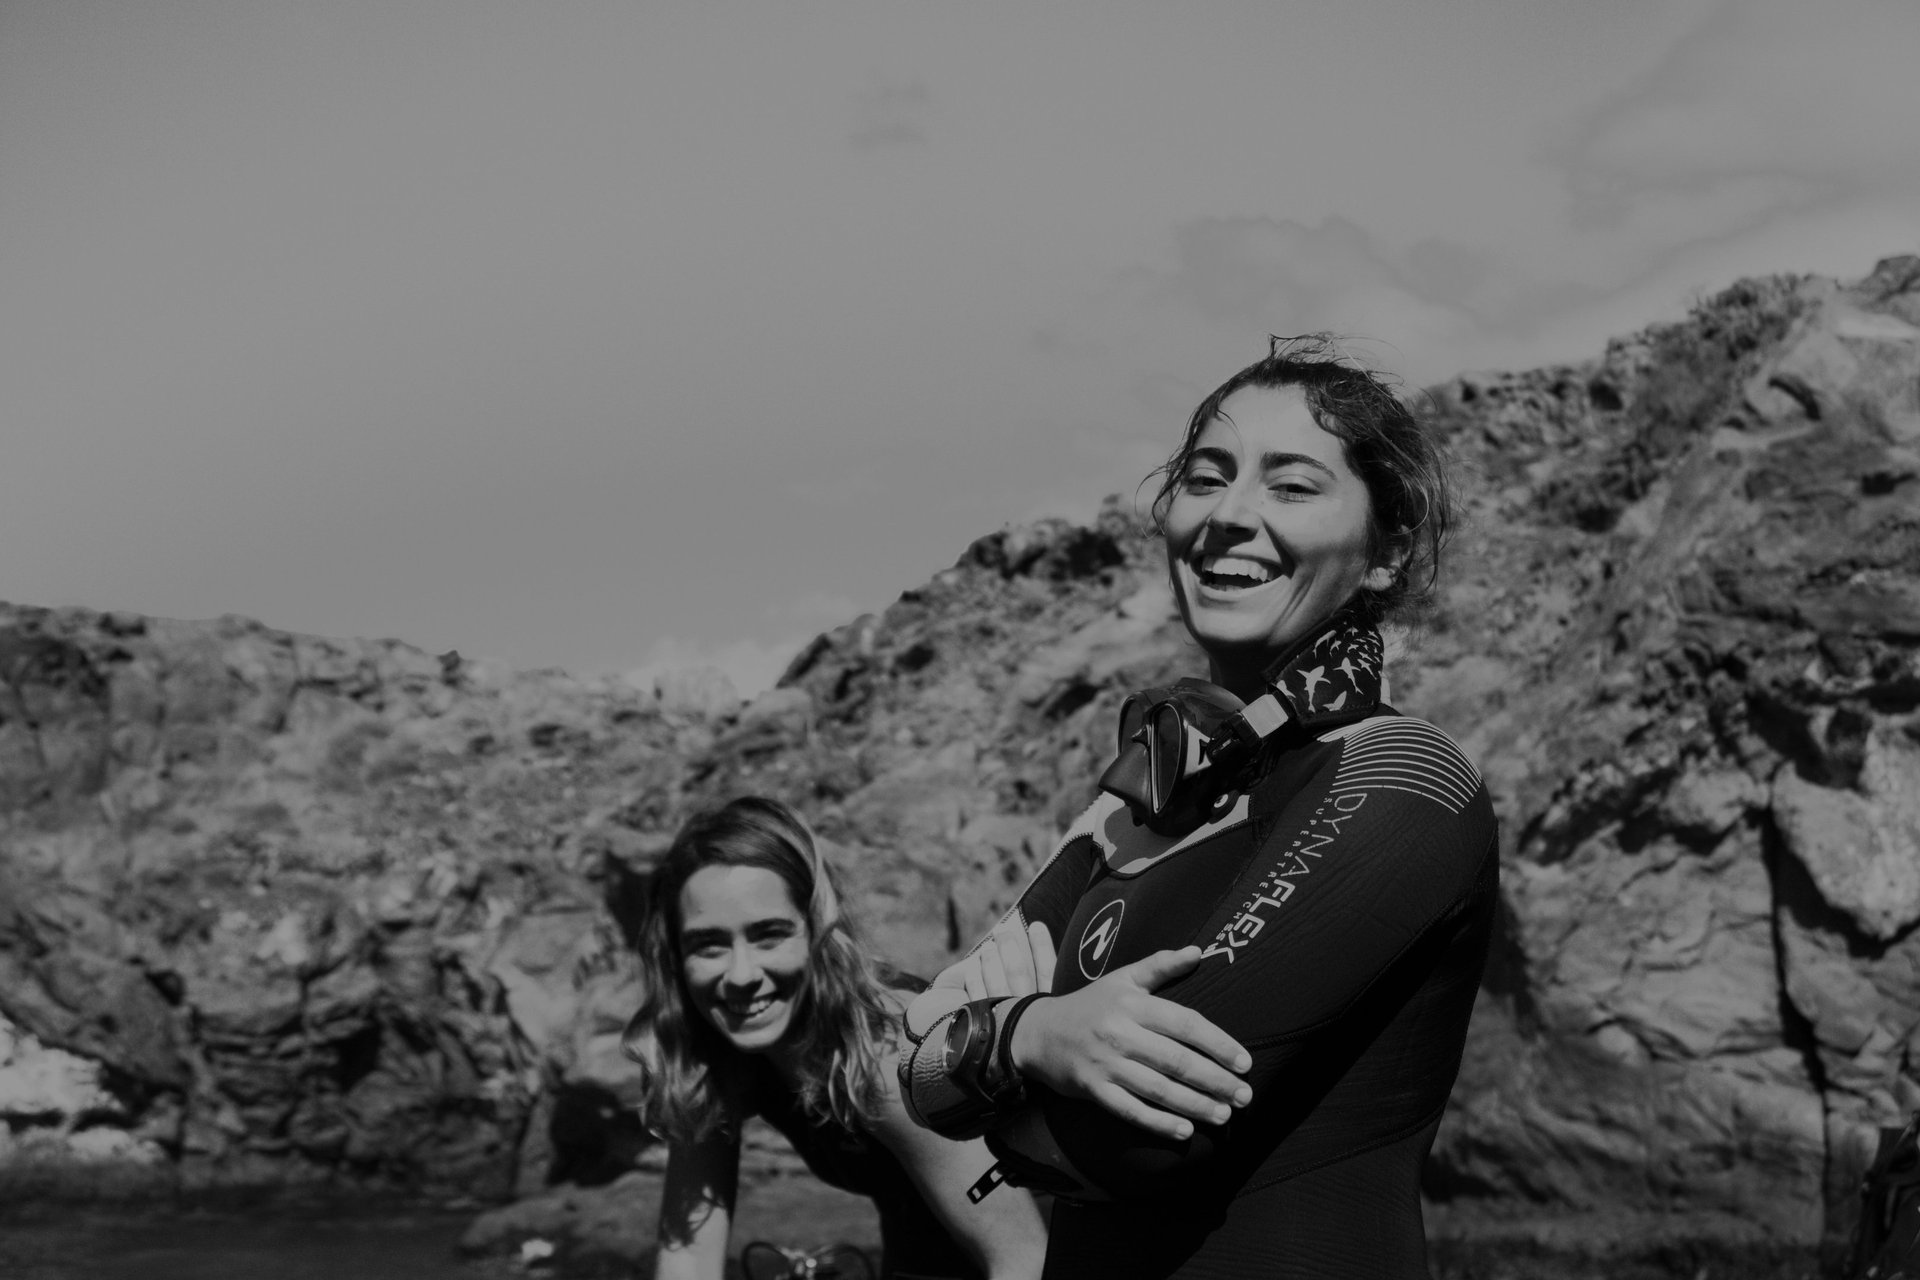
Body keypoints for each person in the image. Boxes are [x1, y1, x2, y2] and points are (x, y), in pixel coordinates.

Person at [898, 336, 1499, 1279]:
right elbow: (915, 1072)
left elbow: (1126, 1142)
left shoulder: (1405, 780)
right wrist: (1037, 1035)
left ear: (1384, 551)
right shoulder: (1144, 804)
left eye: (1292, 486)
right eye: (1206, 477)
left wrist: (989, 1062)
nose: (1229, 515)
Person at [624, 796, 1047, 1280]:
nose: (741, 974)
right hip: (921, 1237)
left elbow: (1025, 1259)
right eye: (709, 944)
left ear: (817, 933)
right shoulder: (710, 1053)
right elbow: (688, 1260)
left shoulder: (894, 1057)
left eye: (769, 935)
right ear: (675, 956)